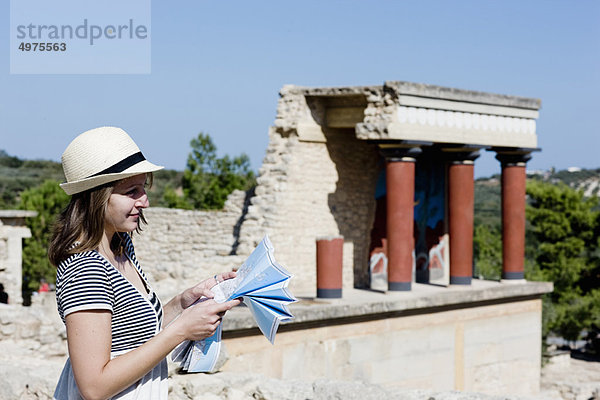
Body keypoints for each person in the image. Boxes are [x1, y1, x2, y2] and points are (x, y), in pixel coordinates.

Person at [49, 126, 240, 399]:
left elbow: (131, 337)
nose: (145, 202)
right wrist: (181, 330)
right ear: (98, 196)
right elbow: (93, 386)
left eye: (144, 188)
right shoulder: (85, 269)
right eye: (132, 191)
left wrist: (181, 304)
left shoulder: (121, 247)